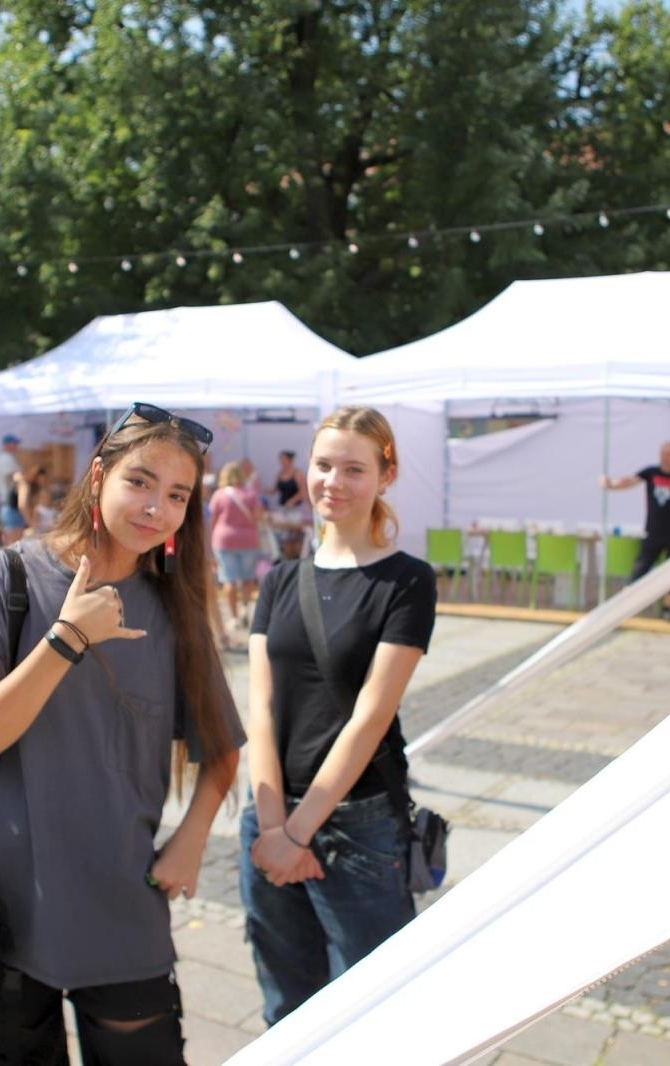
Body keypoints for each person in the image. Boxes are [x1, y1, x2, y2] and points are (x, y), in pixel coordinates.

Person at [0, 401, 242, 1064]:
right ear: (98, 476)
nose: (156, 506)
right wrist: (68, 637)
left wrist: (188, 844)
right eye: (140, 481)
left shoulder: (172, 611)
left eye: (177, 494)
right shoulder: (5, 578)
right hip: (4, 910)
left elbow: (223, 752)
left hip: (122, 907)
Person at [240, 406, 438, 1026]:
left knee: (370, 1012)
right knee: (286, 1007)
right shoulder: (280, 579)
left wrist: (297, 833)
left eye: (354, 468)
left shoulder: (405, 582)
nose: (333, 481)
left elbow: (369, 719)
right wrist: (273, 827)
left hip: (358, 827)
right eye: (323, 465)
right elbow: (261, 705)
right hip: (269, 818)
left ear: (386, 475)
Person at [599, 442, 670, 620]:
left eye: (669, 454)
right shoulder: (651, 473)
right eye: (663, 453)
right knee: (641, 566)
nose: (665, 457)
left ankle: (667, 609)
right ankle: (625, 606)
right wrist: (611, 484)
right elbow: (630, 481)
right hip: (654, 529)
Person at [210, 461, 263, 632]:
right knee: (248, 578)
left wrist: (210, 542)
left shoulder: (219, 495)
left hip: (224, 540)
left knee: (229, 579)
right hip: (248, 539)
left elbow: (212, 520)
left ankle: (233, 618)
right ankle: (245, 609)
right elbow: (258, 518)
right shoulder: (251, 494)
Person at [270, 450, 310, 561]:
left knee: (295, 535)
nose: (282, 462)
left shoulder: (297, 473)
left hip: (295, 510)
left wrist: (292, 501)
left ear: (290, 460)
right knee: (284, 536)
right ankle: (287, 560)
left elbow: (303, 492)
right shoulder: (280, 473)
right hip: (283, 509)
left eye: (284, 460)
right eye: (281, 460)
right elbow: (274, 490)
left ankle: (296, 560)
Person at [0, 433, 26, 547]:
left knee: (14, 544)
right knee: (14, 545)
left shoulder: (8, 458)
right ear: (8, 444)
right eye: (14, 443)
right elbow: (16, 478)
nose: (17, 446)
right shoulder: (5, 459)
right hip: (10, 506)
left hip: (11, 506)